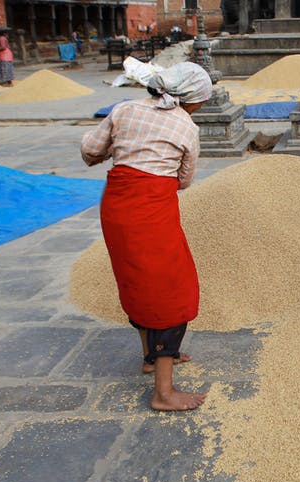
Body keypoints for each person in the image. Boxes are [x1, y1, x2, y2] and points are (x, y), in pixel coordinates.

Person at [80, 63, 214, 411]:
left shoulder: (124, 110)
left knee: (137, 281)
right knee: (172, 291)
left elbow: (90, 150)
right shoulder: (186, 126)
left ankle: (150, 357)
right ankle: (164, 393)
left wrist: (121, 152)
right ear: (192, 100)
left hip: (117, 209)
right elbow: (184, 180)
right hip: (152, 212)